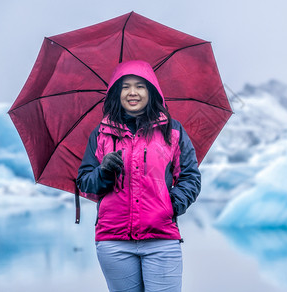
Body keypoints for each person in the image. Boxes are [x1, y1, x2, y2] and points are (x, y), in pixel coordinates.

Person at [76, 60, 201, 292]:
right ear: (116, 92)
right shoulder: (101, 134)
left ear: (151, 90)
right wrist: (103, 171)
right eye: (125, 87)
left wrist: (170, 206)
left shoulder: (172, 131)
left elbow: (190, 177)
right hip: (114, 242)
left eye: (140, 86)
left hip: (161, 239)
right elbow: (84, 183)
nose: (132, 92)